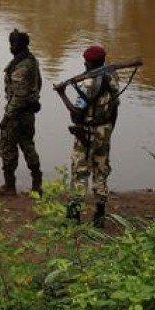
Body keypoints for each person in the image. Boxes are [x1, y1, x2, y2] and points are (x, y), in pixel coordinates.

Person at [54, 45, 119, 227]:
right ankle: (99, 216)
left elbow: (76, 114)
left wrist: (62, 95)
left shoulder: (88, 83)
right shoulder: (113, 76)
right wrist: (109, 129)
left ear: (92, 62)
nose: (85, 63)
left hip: (87, 132)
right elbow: (115, 107)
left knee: (80, 171)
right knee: (101, 169)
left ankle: (74, 216)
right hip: (104, 130)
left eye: (87, 61)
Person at [0, 29, 43, 196]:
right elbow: (37, 85)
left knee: (7, 147)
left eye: (13, 43)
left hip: (18, 114)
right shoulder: (31, 61)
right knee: (28, 145)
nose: (10, 47)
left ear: (19, 45)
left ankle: (10, 186)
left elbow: (19, 95)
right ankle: (37, 185)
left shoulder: (22, 65)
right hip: (28, 113)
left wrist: (6, 117)